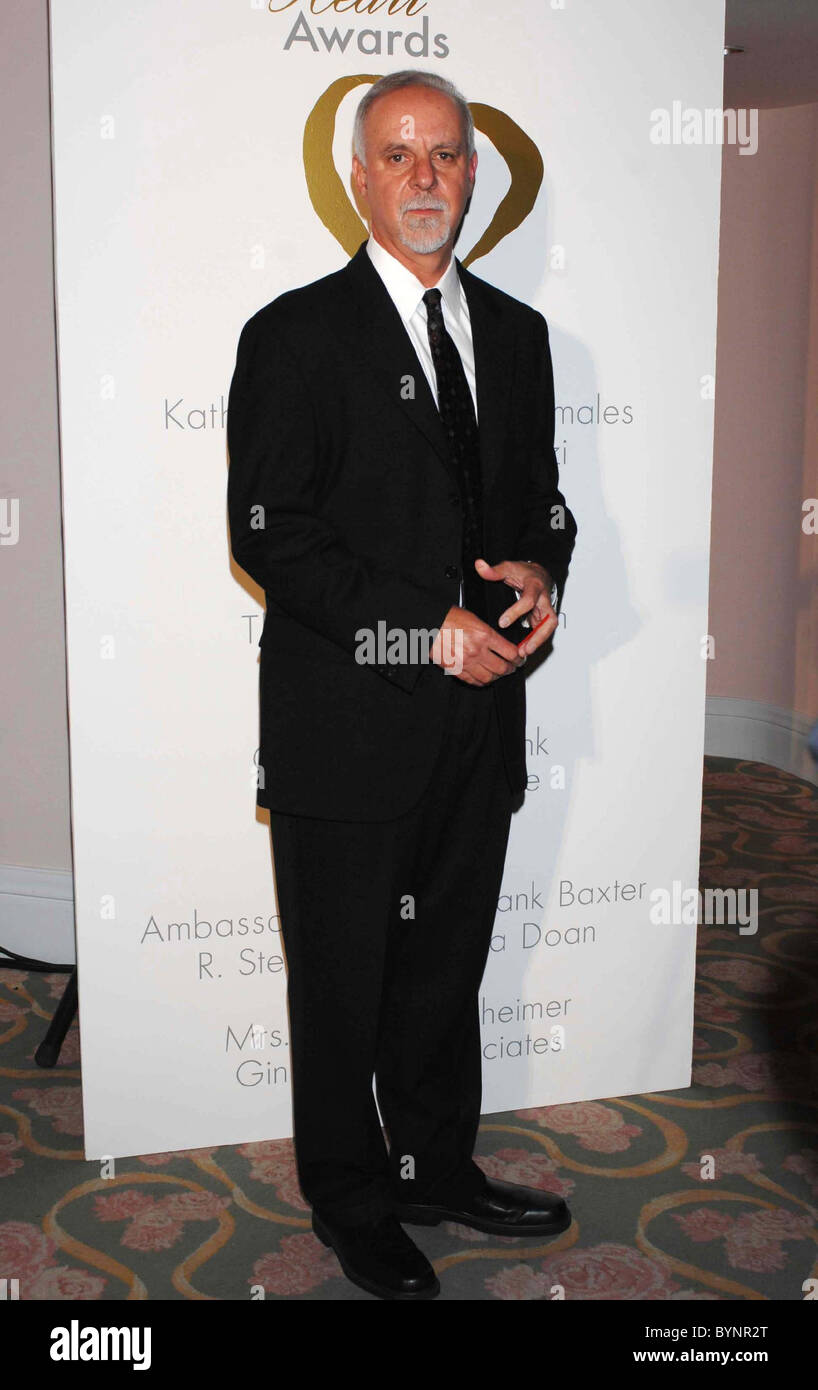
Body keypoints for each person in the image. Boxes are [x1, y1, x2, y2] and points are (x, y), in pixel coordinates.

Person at [227, 68, 577, 1301]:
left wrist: (542, 566)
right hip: (345, 726)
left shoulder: (520, 339)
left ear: (473, 173)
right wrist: (422, 627)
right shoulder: (294, 335)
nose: (423, 176)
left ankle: (436, 1166)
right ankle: (353, 1195)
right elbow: (274, 533)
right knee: (342, 980)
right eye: (397, 154)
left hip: (480, 725)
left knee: (444, 969)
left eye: (444, 154)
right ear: (357, 177)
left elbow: (538, 502)